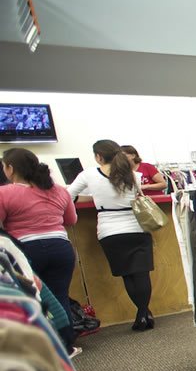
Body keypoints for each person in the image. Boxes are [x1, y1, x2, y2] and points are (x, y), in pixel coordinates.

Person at [68, 139, 156, 331]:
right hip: (137, 229)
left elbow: (68, 195)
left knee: (127, 275)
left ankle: (143, 313)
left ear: (98, 156)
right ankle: (143, 314)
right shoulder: (133, 174)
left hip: (110, 231)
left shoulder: (88, 175)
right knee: (142, 274)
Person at [0, 148, 79, 347]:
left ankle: (44, 347)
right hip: (61, 248)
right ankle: (67, 345)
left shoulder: (4, 193)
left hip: (27, 251)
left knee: (33, 299)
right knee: (60, 298)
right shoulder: (59, 190)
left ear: (10, 168)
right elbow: (71, 220)